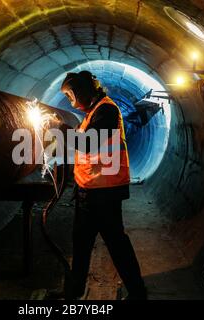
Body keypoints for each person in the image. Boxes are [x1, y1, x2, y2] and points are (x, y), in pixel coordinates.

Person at [61, 71, 147, 300]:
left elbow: (89, 144)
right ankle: (73, 292)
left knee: (116, 244)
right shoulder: (93, 113)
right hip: (90, 191)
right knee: (81, 244)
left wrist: (60, 132)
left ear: (82, 91)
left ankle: (138, 294)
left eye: (71, 95)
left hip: (104, 195)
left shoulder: (106, 110)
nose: (70, 100)